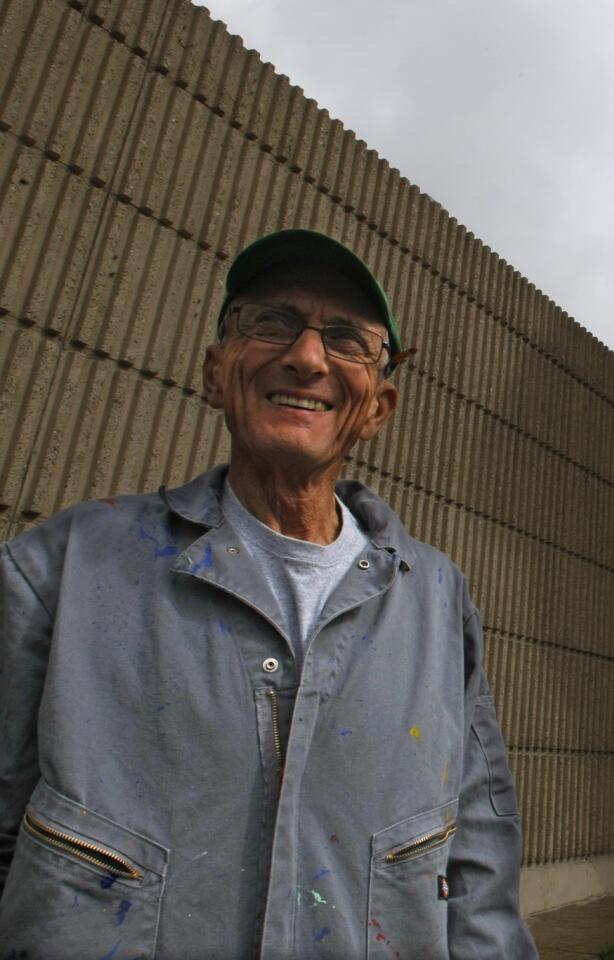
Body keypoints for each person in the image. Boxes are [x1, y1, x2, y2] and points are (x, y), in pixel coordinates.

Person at [0, 229, 538, 958]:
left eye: (346, 339)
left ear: (378, 408)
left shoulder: (437, 598)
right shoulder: (61, 569)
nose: (306, 356)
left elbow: (476, 857)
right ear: (216, 372)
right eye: (272, 323)